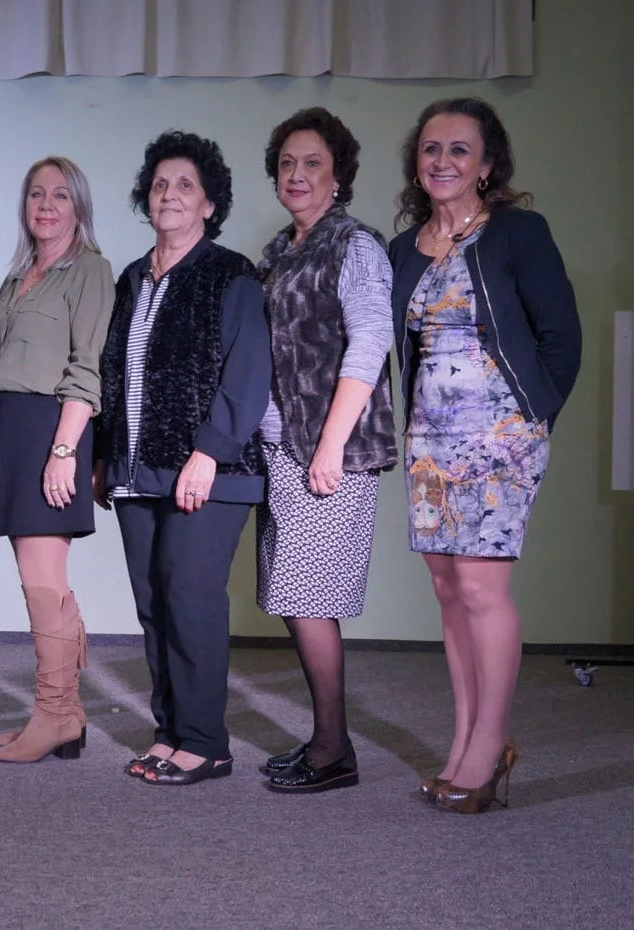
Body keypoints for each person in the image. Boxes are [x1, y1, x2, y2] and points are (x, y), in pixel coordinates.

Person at [389, 97, 581, 813]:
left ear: (487, 165)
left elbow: (561, 335)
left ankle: (490, 743)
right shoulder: (404, 248)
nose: (442, 161)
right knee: (448, 590)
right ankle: (467, 740)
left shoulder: (517, 233)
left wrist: (531, 422)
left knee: (481, 591)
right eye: (431, 148)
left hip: (500, 440)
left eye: (459, 149)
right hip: (430, 443)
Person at [95, 130, 271, 786]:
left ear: (209, 204)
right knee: (154, 604)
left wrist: (208, 454)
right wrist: (104, 455)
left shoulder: (232, 274)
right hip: (136, 471)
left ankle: (205, 743)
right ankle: (170, 732)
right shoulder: (132, 278)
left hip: (210, 471)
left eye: (185, 186)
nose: (169, 194)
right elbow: (114, 375)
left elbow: (248, 376)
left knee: (190, 598)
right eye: (160, 185)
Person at [252, 108, 398, 794]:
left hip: (330, 450)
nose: (297, 174)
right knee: (297, 596)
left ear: (339, 175)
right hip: (284, 448)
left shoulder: (354, 245)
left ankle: (335, 749)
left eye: (313, 163)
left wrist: (330, 445)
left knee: (310, 598)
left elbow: (369, 343)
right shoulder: (280, 252)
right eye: (287, 163)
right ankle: (325, 739)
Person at [0, 156, 114, 763]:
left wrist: (64, 451)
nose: (47, 205)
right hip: (11, 429)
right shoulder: (19, 278)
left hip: (50, 428)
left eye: (61, 195)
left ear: (78, 207)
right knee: (41, 578)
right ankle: (68, 714)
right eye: (37, 194)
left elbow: (87, 366)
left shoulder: (90, 270)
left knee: (42, 579)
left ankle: (53, 714)